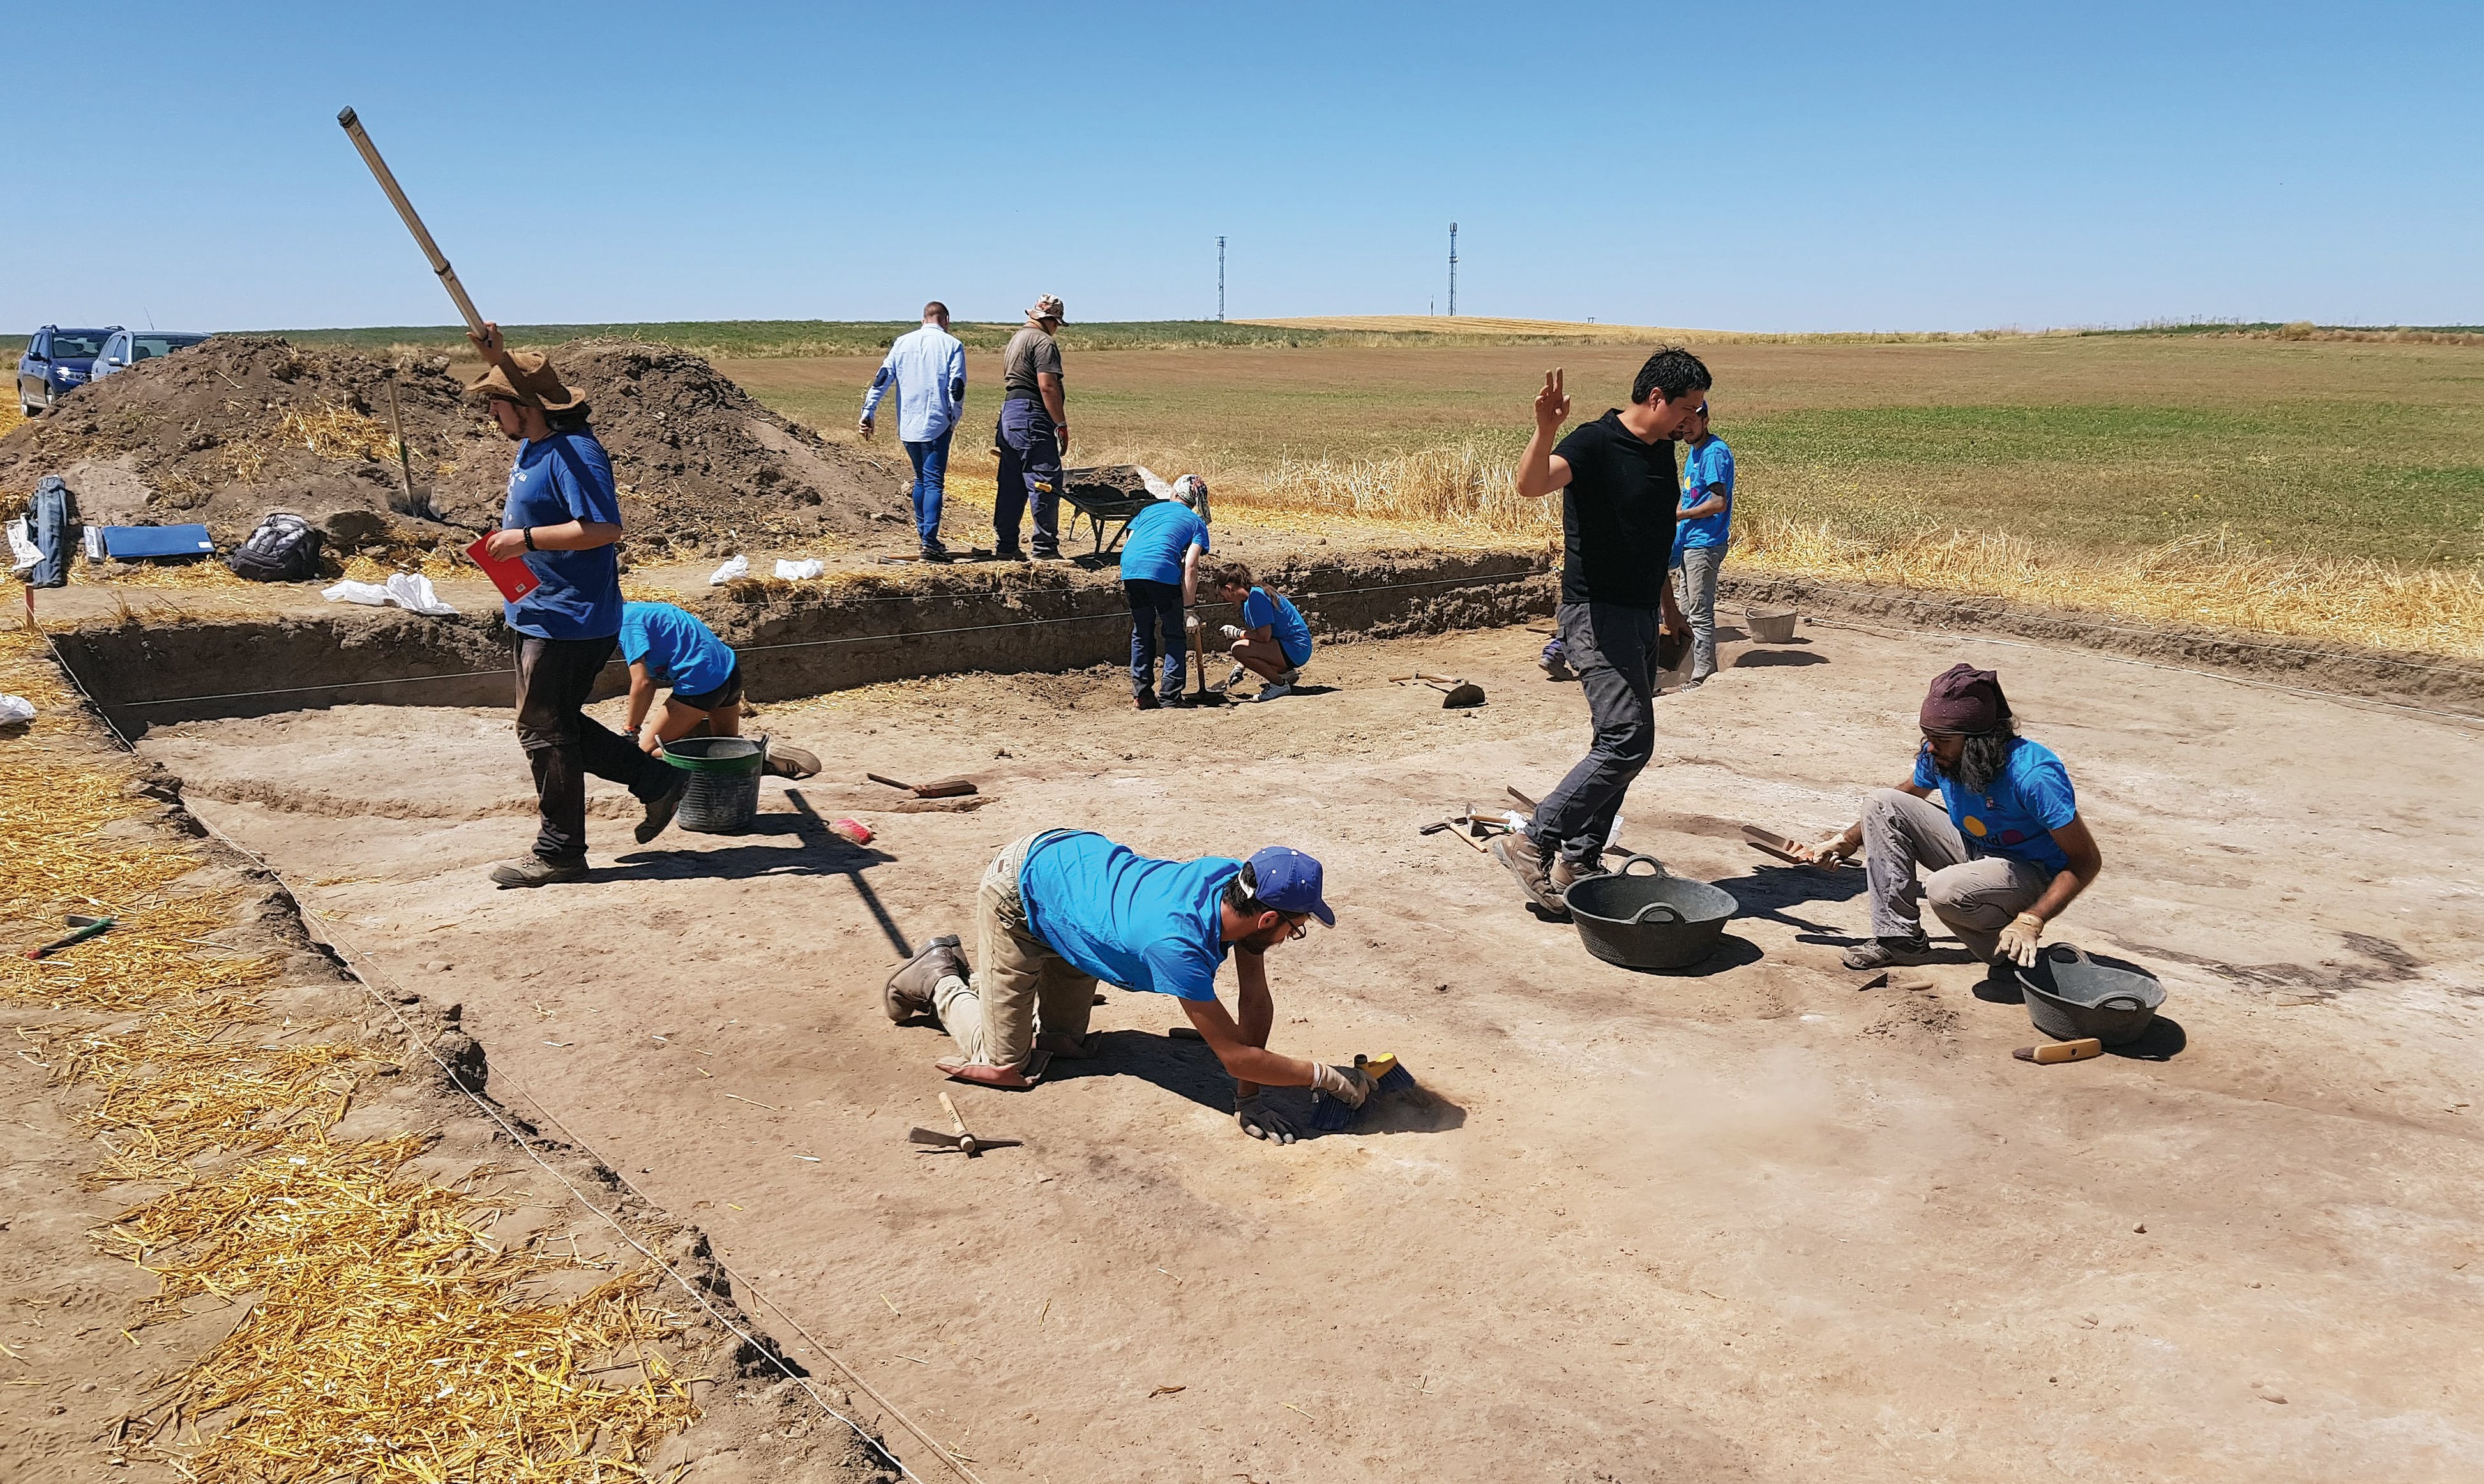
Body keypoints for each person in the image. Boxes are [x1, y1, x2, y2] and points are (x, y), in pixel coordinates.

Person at [882, 831, 1376, 1143]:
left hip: (1079, 906)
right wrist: (1324, 1077)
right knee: (1007, 1064)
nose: (1293, 935)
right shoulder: (1175, 946)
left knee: (1061, 1044)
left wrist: (1250, 1098)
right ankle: (938, 974)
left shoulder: (1235, 887)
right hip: (1022, 893)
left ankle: (1012, 986)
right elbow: (1234, 1055)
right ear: (1268, 916)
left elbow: (1253, 1000)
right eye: (1297, 926)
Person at [468, 323, 690, 888]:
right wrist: (496, 358)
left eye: (497, 404)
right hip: (537, 607)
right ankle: (656, 783)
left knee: (544, 731)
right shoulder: (535, 444)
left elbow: (603, 527)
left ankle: (561, 851)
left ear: (525, 407)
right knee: (550, 724)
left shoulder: (576, 452)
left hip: (571, 617)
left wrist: (527, 540)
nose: (492, 414)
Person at [1494, 352, 1710, 919]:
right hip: (1595, 613)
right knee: (1626, 739)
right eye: (1688, 407)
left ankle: (1579, 859)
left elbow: (1653, 537)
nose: (1695, 418)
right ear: (1657, 398)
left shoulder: (1661, 451)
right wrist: (1545, 431)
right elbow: (1530, 484)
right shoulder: (1594, 442)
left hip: (1638, 614)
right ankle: (1533, 841)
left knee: (1621, 744)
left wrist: (1669, 610)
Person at [1793, 664, 2104, 973]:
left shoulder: (2034, 776)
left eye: (1941, 739)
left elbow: (2086, 860)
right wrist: (1843, 842)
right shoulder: (1943, 754)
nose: (1929, 746)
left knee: (1945, 890)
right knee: (1882, 802)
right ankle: (1900, 940)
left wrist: (2031, 920)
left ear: (1979, 742)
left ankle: (2010, 955)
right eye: (1927, 736)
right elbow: (1905, 796)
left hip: (2032, 874)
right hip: (1976, 851)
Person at [616, 600, 820, 778]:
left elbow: (641, 682)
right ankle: (760, 757)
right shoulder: (643, 612)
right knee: (726, 745)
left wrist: (630, 731)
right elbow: (650, 683)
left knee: (647, 753)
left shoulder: (626, 624)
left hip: (701, 684)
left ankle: (758, 752)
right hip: (730, 674)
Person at [858, 301, 968, 560]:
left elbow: (882, 378)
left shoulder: (902, 343)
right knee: (933, 482)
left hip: (908, 424)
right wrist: (955, 416)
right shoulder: (952, 345)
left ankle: (925, 537)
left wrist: (868, 411)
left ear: (923, 319)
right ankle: (929, 542)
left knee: (921, 478)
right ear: (946, 320)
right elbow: (957, 386)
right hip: (937, 423)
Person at [1117, 476, 1211, 709]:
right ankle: (1171, 696)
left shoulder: (1149, 511)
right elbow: (1190, 565)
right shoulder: (1196, 522)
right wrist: (1189, 610)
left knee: (1142, 631)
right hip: (1162, 572)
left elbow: (1129, 544)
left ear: (1175, 494)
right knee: (1174, 633)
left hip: (1130, 570)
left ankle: (1142, 694)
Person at [993, 295, 1070, 561]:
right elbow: (1047, 386)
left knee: (1012, 482)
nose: (1056, 328)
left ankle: (1006, 546)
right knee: (1045, 479)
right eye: (1057, 323)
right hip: (1031, 414)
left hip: (1010, 414)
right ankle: (1045, 549)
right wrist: (1060, 423)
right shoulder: (1043, 342)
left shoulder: (1017, 338)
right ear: (1051, 320)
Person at [1668, 401, 1734, 688]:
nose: (1686, 427)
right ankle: (1688, 668)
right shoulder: (1695, 453)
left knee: (1699, 611)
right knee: (1684, 607)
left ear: (1706, 420)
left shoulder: (1714, 453)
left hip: (1705, 543)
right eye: (1682, 422)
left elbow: (1719, 503)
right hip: (1690, 540)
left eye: (1692, 420)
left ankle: (1703, 675)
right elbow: (1690, 495)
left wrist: (1680, 515)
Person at [1207, 559, 1312, 702]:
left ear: (1229, 588)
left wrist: (1236, 633)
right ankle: (1285, 674)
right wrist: (1240, 667)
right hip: (1293, 646)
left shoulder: (1256, 598)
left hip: (1296, 649)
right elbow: (1257, 639)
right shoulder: (1251, 596)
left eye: (1223, 594)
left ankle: (1279, 685)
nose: (1224, 599)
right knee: (1242, 648)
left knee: (1238, 648)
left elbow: (1263, 637)